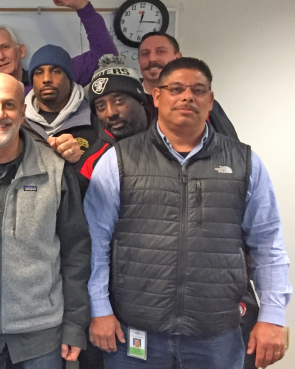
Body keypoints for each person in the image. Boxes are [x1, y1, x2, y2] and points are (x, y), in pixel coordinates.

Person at [85, 57, 290, 368]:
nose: (186, 97)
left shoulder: (244, 161)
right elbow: (94, 244)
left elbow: (268, 244)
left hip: (216, 334)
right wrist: (100, 310)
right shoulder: (118, 161)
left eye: (198, 90)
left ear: (210, 100)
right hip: (136, 332)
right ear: (156, 96)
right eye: (176, 89)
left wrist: (273, 317)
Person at [0, 73, 91, 368]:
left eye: (9, 105)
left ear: (22, 112)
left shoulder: (56, 168)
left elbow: (76, 253)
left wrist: (74, 325)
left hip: (42, 334)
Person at [0, 0, 118, 93]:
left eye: (5, 47)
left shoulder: (53, 77)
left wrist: (82, 7)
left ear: (21, 51)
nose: (1, 56)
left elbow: (105, 56)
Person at [138, 32, 237, 138]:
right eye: (145, 54)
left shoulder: (200, 102)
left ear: (178, 57)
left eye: (160, 52)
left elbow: (230, 148)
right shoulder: (128, 100)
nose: (152, 59)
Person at [77, 55, 150, 183]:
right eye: (101, 106)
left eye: (119, 101)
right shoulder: (92, 163)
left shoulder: (173, 138)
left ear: (140, 99)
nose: (110, 113)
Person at [22, 44, 95, 165]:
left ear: (69, 78)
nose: (46, 79)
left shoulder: (94, 120)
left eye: (55, 71)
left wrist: (79, 161)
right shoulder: (19, 124)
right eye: (39, 72)